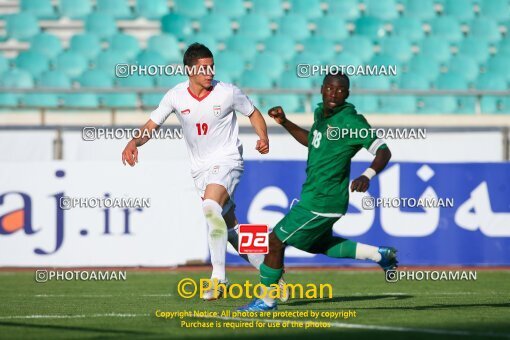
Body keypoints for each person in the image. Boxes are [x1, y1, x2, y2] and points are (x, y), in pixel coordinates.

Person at [121, 43, 283, 300]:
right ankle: (274, 278)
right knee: (229, 231)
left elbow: (253, 113)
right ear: (189, 70)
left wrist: (263, 137)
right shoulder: (175, 96)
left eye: (211, 67)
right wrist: (134, 142)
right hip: (200, 171)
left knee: (210, 207)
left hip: (228, 161)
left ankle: (218, 278)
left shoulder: (228, 92)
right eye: (203, 68)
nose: (209, 72)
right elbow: (152, 124)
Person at [238, 73, 398, 311]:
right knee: (316, 245)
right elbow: (312, 140)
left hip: (323, 201)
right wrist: (284, 122)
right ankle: (379, 255)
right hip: (315, 197)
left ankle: (267, 299)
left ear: (348, 94)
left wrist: (367, 175)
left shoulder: (351, 122)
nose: (334, 94)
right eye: (330, 89)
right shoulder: (320, 114)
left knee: (274, 241)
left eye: (340, 90)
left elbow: (383, 151)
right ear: (322, 89)